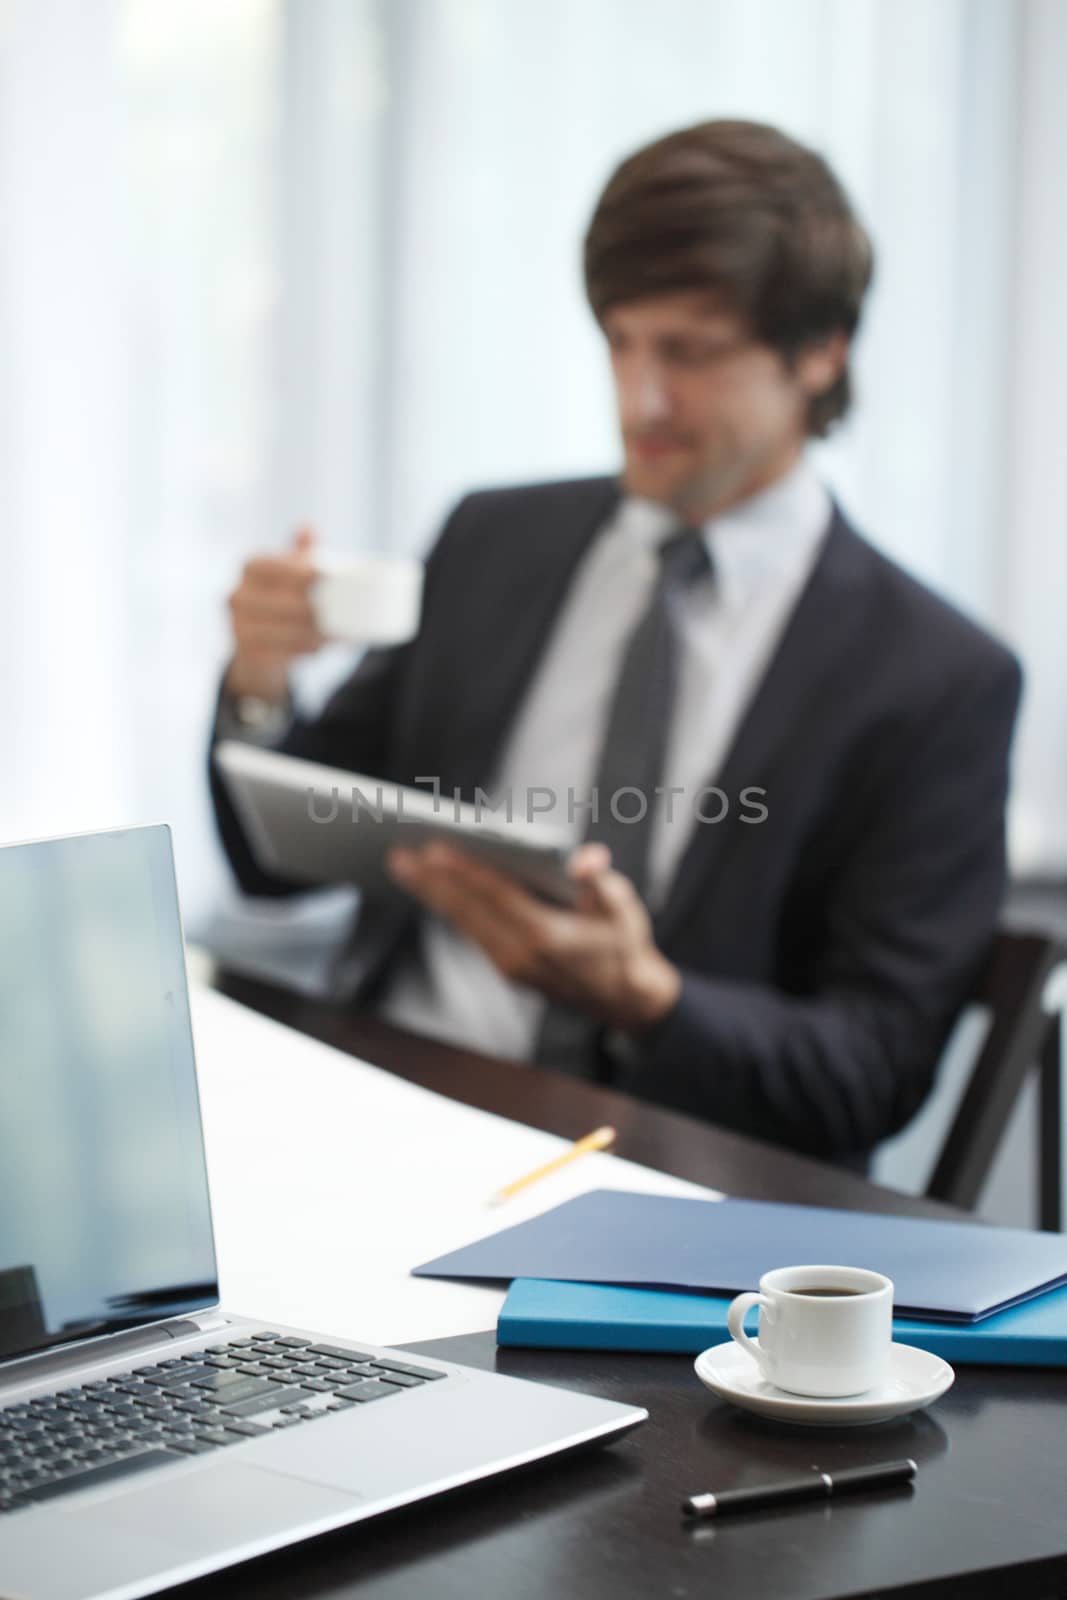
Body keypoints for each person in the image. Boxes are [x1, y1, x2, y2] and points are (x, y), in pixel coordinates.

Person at [209, 119, 1022, 1167]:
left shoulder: (934, 679)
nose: (639, 399)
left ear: (819, 354)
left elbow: (870, 1068)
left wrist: (653, 1002)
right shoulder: (493, 540)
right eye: (619, 341)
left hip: (672, 1187)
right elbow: (274, 865)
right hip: (382, 1110)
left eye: (687, 353)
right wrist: (263, 685)